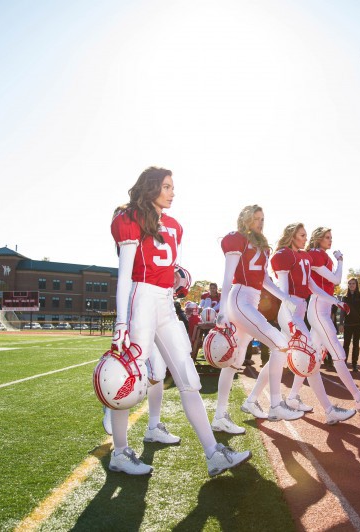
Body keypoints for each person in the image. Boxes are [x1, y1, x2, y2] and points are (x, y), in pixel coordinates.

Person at [108, 166, 250, 476]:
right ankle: (119, 452)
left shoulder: (174, 225)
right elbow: (124, 275)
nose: (173, 192)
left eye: (173, 186)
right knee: (129, 375)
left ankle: (213, 453)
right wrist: (121, 322)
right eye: (168, 186)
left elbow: (167, 267)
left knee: (188, 376)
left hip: (165, 302)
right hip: (141, 297)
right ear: (152, 187)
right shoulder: (128, 218)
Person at [248, 223, 357, 425]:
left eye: (306, 235)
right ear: (291, 236)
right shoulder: (283, 255)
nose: (305, 239)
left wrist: (336, 301)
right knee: (311, 358)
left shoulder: (303, 257)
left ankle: (251, 399)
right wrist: (290, 320)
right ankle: (329, 410)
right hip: (290, 313)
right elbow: (284, 289)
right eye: (301, 235)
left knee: (278, 358)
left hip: (300, 311)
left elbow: (312, 285)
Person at [212, 205, 302, 431]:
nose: (261, 222)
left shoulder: (262, 246)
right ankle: (275, 405)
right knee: (280, 344)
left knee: (236, 360)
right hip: (239, 298)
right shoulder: (237, 240)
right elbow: (226, 277)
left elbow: (264, 280)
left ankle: (221, 416)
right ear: (245, 219)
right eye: (256, 218)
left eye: (263, 218)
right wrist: (222, 309)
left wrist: (284, 297)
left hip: (250, 301)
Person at [286, 227, 360, 414]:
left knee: (312, 356)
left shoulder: (318, 254)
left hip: (321, 307)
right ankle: (358, 397)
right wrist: (340, 260)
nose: (330, 241)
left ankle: (292, 397)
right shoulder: (316, 254)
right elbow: (337, 279)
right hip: (319, 309)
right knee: (338, 354)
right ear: (318, 239)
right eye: (327, 238)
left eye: (331, 238)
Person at [340, 278, 360, 371]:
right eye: (350, 283)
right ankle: (344, 363)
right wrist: (341, 324)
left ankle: (354, 364)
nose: (351, 285)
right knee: (346, 345)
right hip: (348, 324)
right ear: (348, 285)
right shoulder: (344, 298)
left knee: (356, 344)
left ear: (356, 285)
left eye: (353, 283)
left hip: (358, 324)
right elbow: (342, 312)